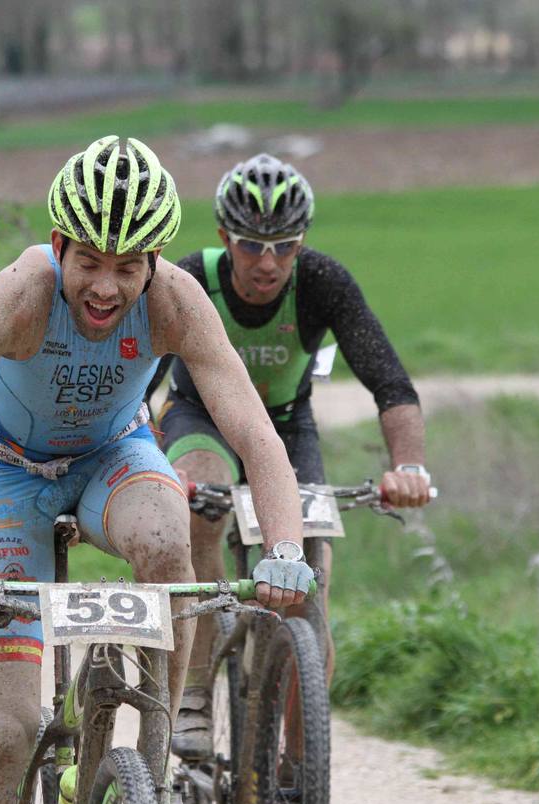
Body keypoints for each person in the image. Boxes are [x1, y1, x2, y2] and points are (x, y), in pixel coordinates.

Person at [0, 136, 316, 804]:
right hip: (2, 473)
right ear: (58, 247)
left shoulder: (177, 301)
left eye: (128, 265)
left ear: (154, 263)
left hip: (112, 454)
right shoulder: (21, 295)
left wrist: (284, 547)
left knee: (167, 541)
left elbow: (254, 432)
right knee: (8, 733)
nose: (107, 287)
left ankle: (152, 764)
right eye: (90, 262)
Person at [154, 152, 432, 759]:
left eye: (285, 245)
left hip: (284, 430)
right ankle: (195, 689)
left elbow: (390, 382)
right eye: (253, 245)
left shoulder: (323, 282)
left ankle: (300, 766)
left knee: (308, 581)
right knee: (201, 502)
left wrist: (408, 465)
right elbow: (134, 380)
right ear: (226, 237)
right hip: (200, 419)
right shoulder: (189, 278)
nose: (269, 263)